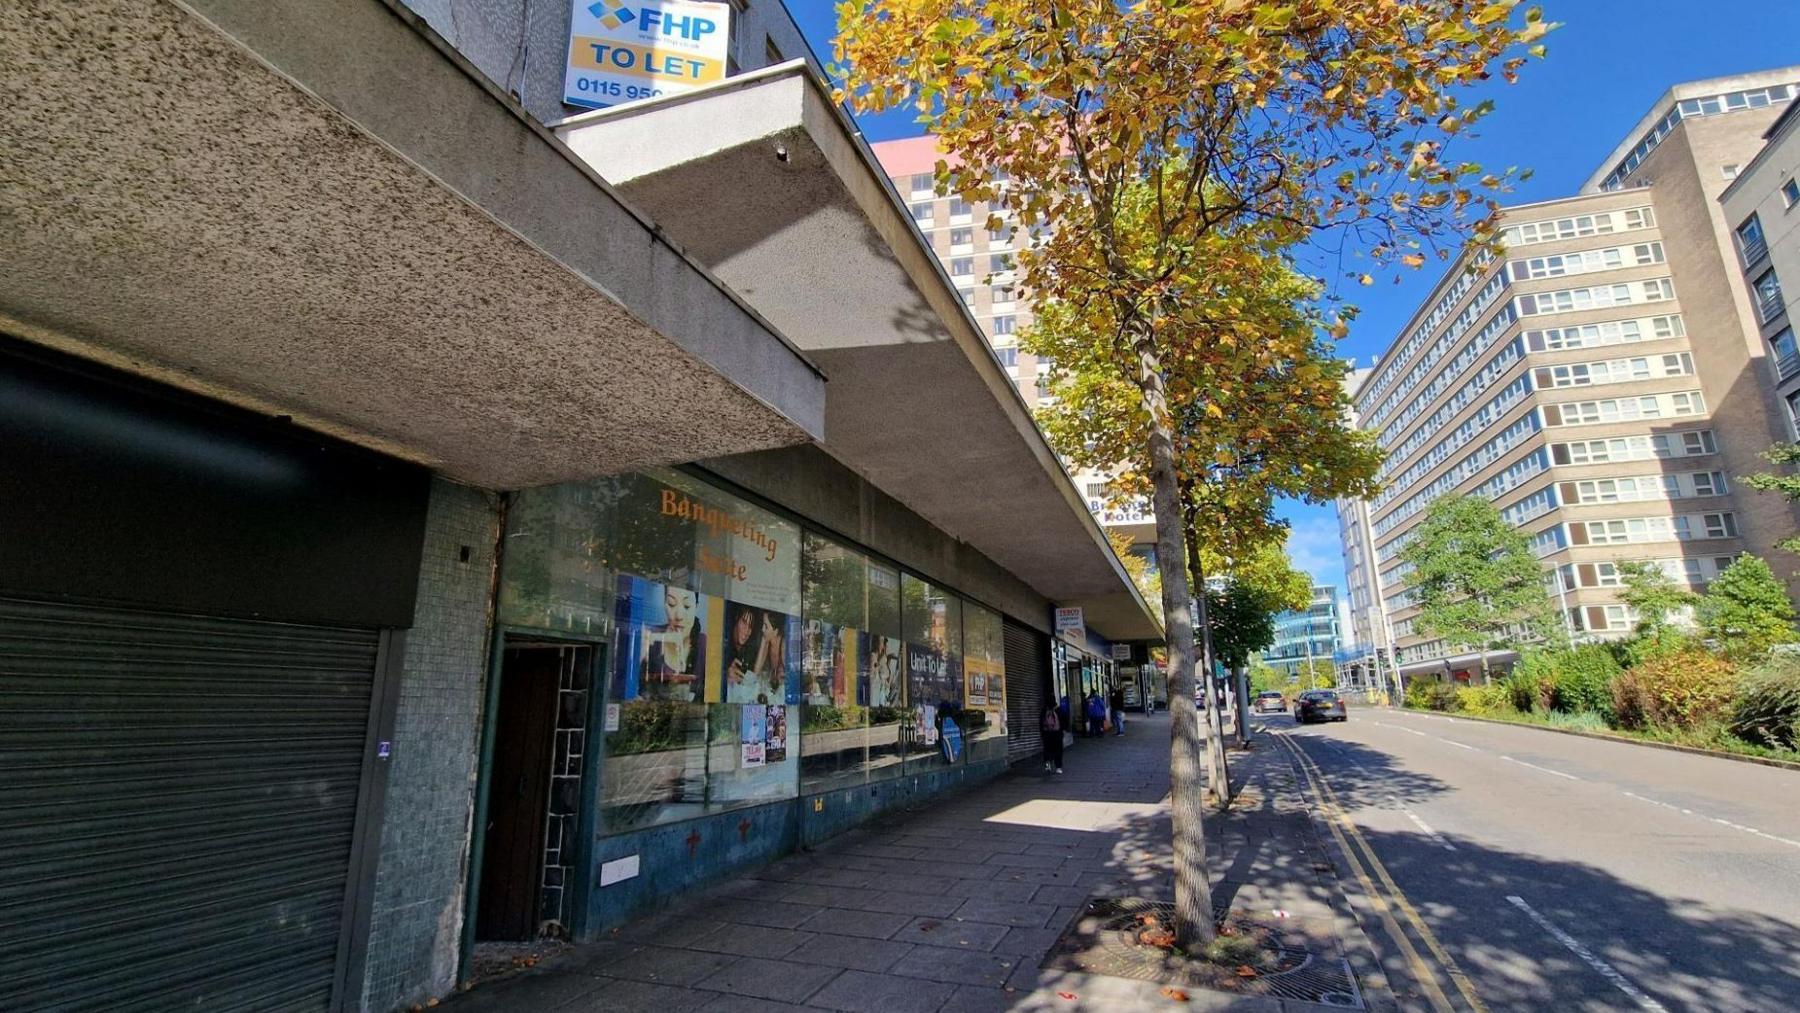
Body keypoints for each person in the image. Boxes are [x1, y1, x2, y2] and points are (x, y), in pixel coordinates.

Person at [1040, 701, 1064, 773]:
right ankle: (1058, 767)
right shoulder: (1058, 710)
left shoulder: (1044, 711)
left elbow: (1040, 723)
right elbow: (1063, 720)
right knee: (1058, 751)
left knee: (1047, 750)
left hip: (1047, 734)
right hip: (1057, 734)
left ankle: (1047, 765)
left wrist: (1042, 733)